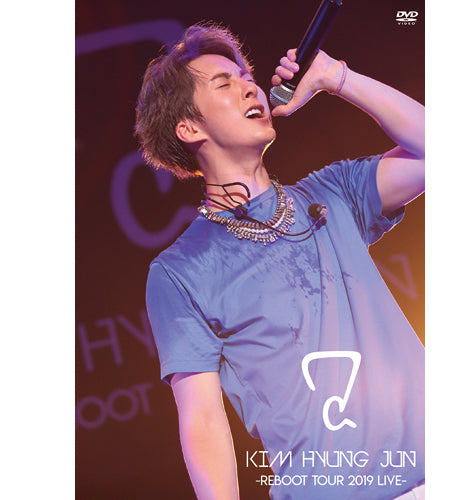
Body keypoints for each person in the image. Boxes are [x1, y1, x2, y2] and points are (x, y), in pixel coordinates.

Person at [135, 22, 425, 500]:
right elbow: (203, 420)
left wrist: (336, 77)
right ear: (189, 127)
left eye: (247, 77)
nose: (249, 87)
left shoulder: (333, 193)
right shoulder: (181, 270)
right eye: (224, 84)